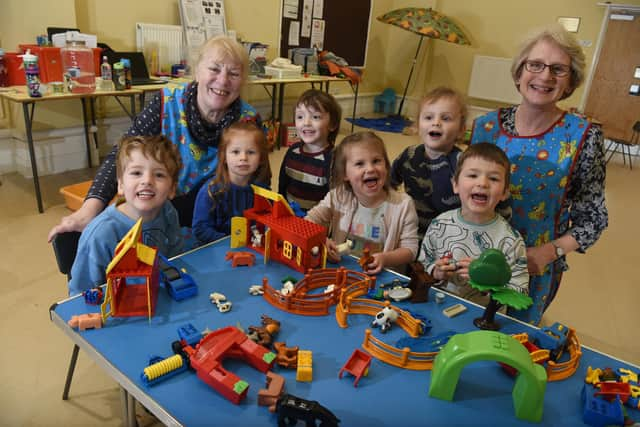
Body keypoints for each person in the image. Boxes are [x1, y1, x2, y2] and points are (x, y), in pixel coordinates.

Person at [48, 35, 263, 242]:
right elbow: (123, 153)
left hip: (219, 221)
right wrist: (89, 209)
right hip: (160, 211)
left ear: (242, 80)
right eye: (214, 69)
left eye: (234, 73)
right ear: (197, 71)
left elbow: (259, 180)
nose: (223, 80)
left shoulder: (249, 120)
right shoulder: (166, 101)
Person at [470, 25, 608, 324]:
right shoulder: (485, 127)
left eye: (558, 69)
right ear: (519, 72)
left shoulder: (584, 137)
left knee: (511, 350)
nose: (545, 76)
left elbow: (593, 219)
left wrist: (549, 252)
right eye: (535, 65)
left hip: (536, 265)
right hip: (475, 258)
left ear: (570, 82)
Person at [68, 135, 183, 296]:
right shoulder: (101, 234)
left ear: (172, 189)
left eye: (159, 175)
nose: (147, 181)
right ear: (120, 184)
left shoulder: (168, 211)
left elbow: (176, 258)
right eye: (136, 172)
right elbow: (80, 295)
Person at [418, 143, 529, 302]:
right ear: (455, 185)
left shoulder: (511, 240)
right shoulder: (439, 224)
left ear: (504, 192)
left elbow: (520, 292)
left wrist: (486, 280)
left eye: (493, 178)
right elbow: (423, 264)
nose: (482, 183)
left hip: (481, 319)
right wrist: (436, 272)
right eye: (472, 175)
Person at [306, 131, 419, 275]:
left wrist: (385, 258)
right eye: (360, 163)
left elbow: (410, 250)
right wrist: (322, 240)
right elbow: (309, 221)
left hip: (380, 279)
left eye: (377, 161)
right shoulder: (338, 196)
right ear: (345, 174)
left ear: (386, 165)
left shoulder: (403, 205)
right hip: (339, 272)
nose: (370, 169)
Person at [390, 87, 466, 241]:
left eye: (446, 118)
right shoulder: (409, 155)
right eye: (428, 117)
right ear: (417, 125)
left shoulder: (463, 162)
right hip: (411, 231)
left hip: (450, 236)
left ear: (460, 130)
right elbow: (388, 184)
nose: (436, 123)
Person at [192, 121, 271, 245]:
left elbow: (269, 222)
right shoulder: (211, 191)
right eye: (235, 152)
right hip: (216, 251)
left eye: (251, 152)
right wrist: (231, 241)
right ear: (224, 157)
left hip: (252, 249)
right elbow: (200, 229)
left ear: (261, 158)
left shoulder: (263, 191)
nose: (243, 158)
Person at [278, 89, 342, 212]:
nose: (306, 123)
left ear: (332, 124)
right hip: (290, 217)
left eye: (315, 117)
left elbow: (335, 199)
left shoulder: (334, 159)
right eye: (300, 117)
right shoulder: (292, 151)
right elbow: (283, 184)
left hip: (317, 223)